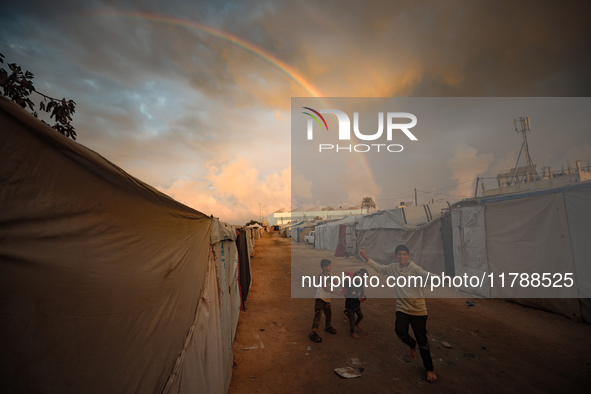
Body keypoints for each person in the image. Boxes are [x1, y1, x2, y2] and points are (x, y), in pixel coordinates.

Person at [359, 245, 438, 383]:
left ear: (408, 256)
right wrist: (367, 259)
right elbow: (380, 268)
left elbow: (427, 275)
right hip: (402, 308)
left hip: (418, 310)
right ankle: (411, 344)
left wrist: (440, 278)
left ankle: (429, 369)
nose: (402, 257)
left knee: (423, 341)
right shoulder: (393, 268)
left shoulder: (415, 269)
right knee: (400, 330)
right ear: (396, 256)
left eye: (404, 254)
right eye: (399, 254)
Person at [309, 259, 340, 343]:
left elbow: (336, 282)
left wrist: (345, 283)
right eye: (329, 266)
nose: (330, 267)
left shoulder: (329, 275)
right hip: (320, 298)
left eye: (330, 265)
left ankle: (328, 326)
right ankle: (313, 333)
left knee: (328, 312)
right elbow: (326, 288)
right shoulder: (322, 276)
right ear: (324, 267)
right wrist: (336, 292)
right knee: (318, 315)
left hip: (326, 299)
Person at [344, 268, 368, 339]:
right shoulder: (351, 285)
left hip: (357, 305)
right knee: (352, 319)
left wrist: (363, 298)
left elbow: (362, 296)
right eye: (356, 277)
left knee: (361, 316)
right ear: (354, 278)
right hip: (350, 306)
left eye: (360, 277)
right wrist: (346, 280)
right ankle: (351, 333)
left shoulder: (361, 287)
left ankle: (356, 324)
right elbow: (346, 283)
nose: (358, 278)